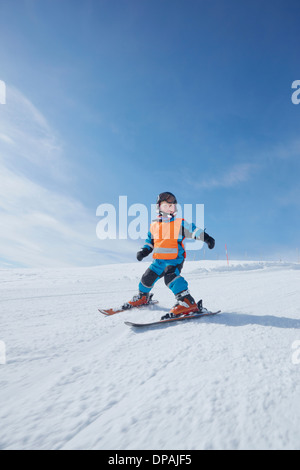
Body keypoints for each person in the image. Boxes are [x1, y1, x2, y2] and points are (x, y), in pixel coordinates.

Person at [125, 192, 215, 319]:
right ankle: (142, 297)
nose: (169, 208)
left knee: (171, 278)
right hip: (158, 261)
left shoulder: (179, 223)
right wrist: (144, 251)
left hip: (174, 259)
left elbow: (193, 230)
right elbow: (150, 242)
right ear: (159, 207)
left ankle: (187, 302)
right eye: (166, 205)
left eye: (172, 206)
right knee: (146, 278)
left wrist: (207, 238)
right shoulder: (154, 226)